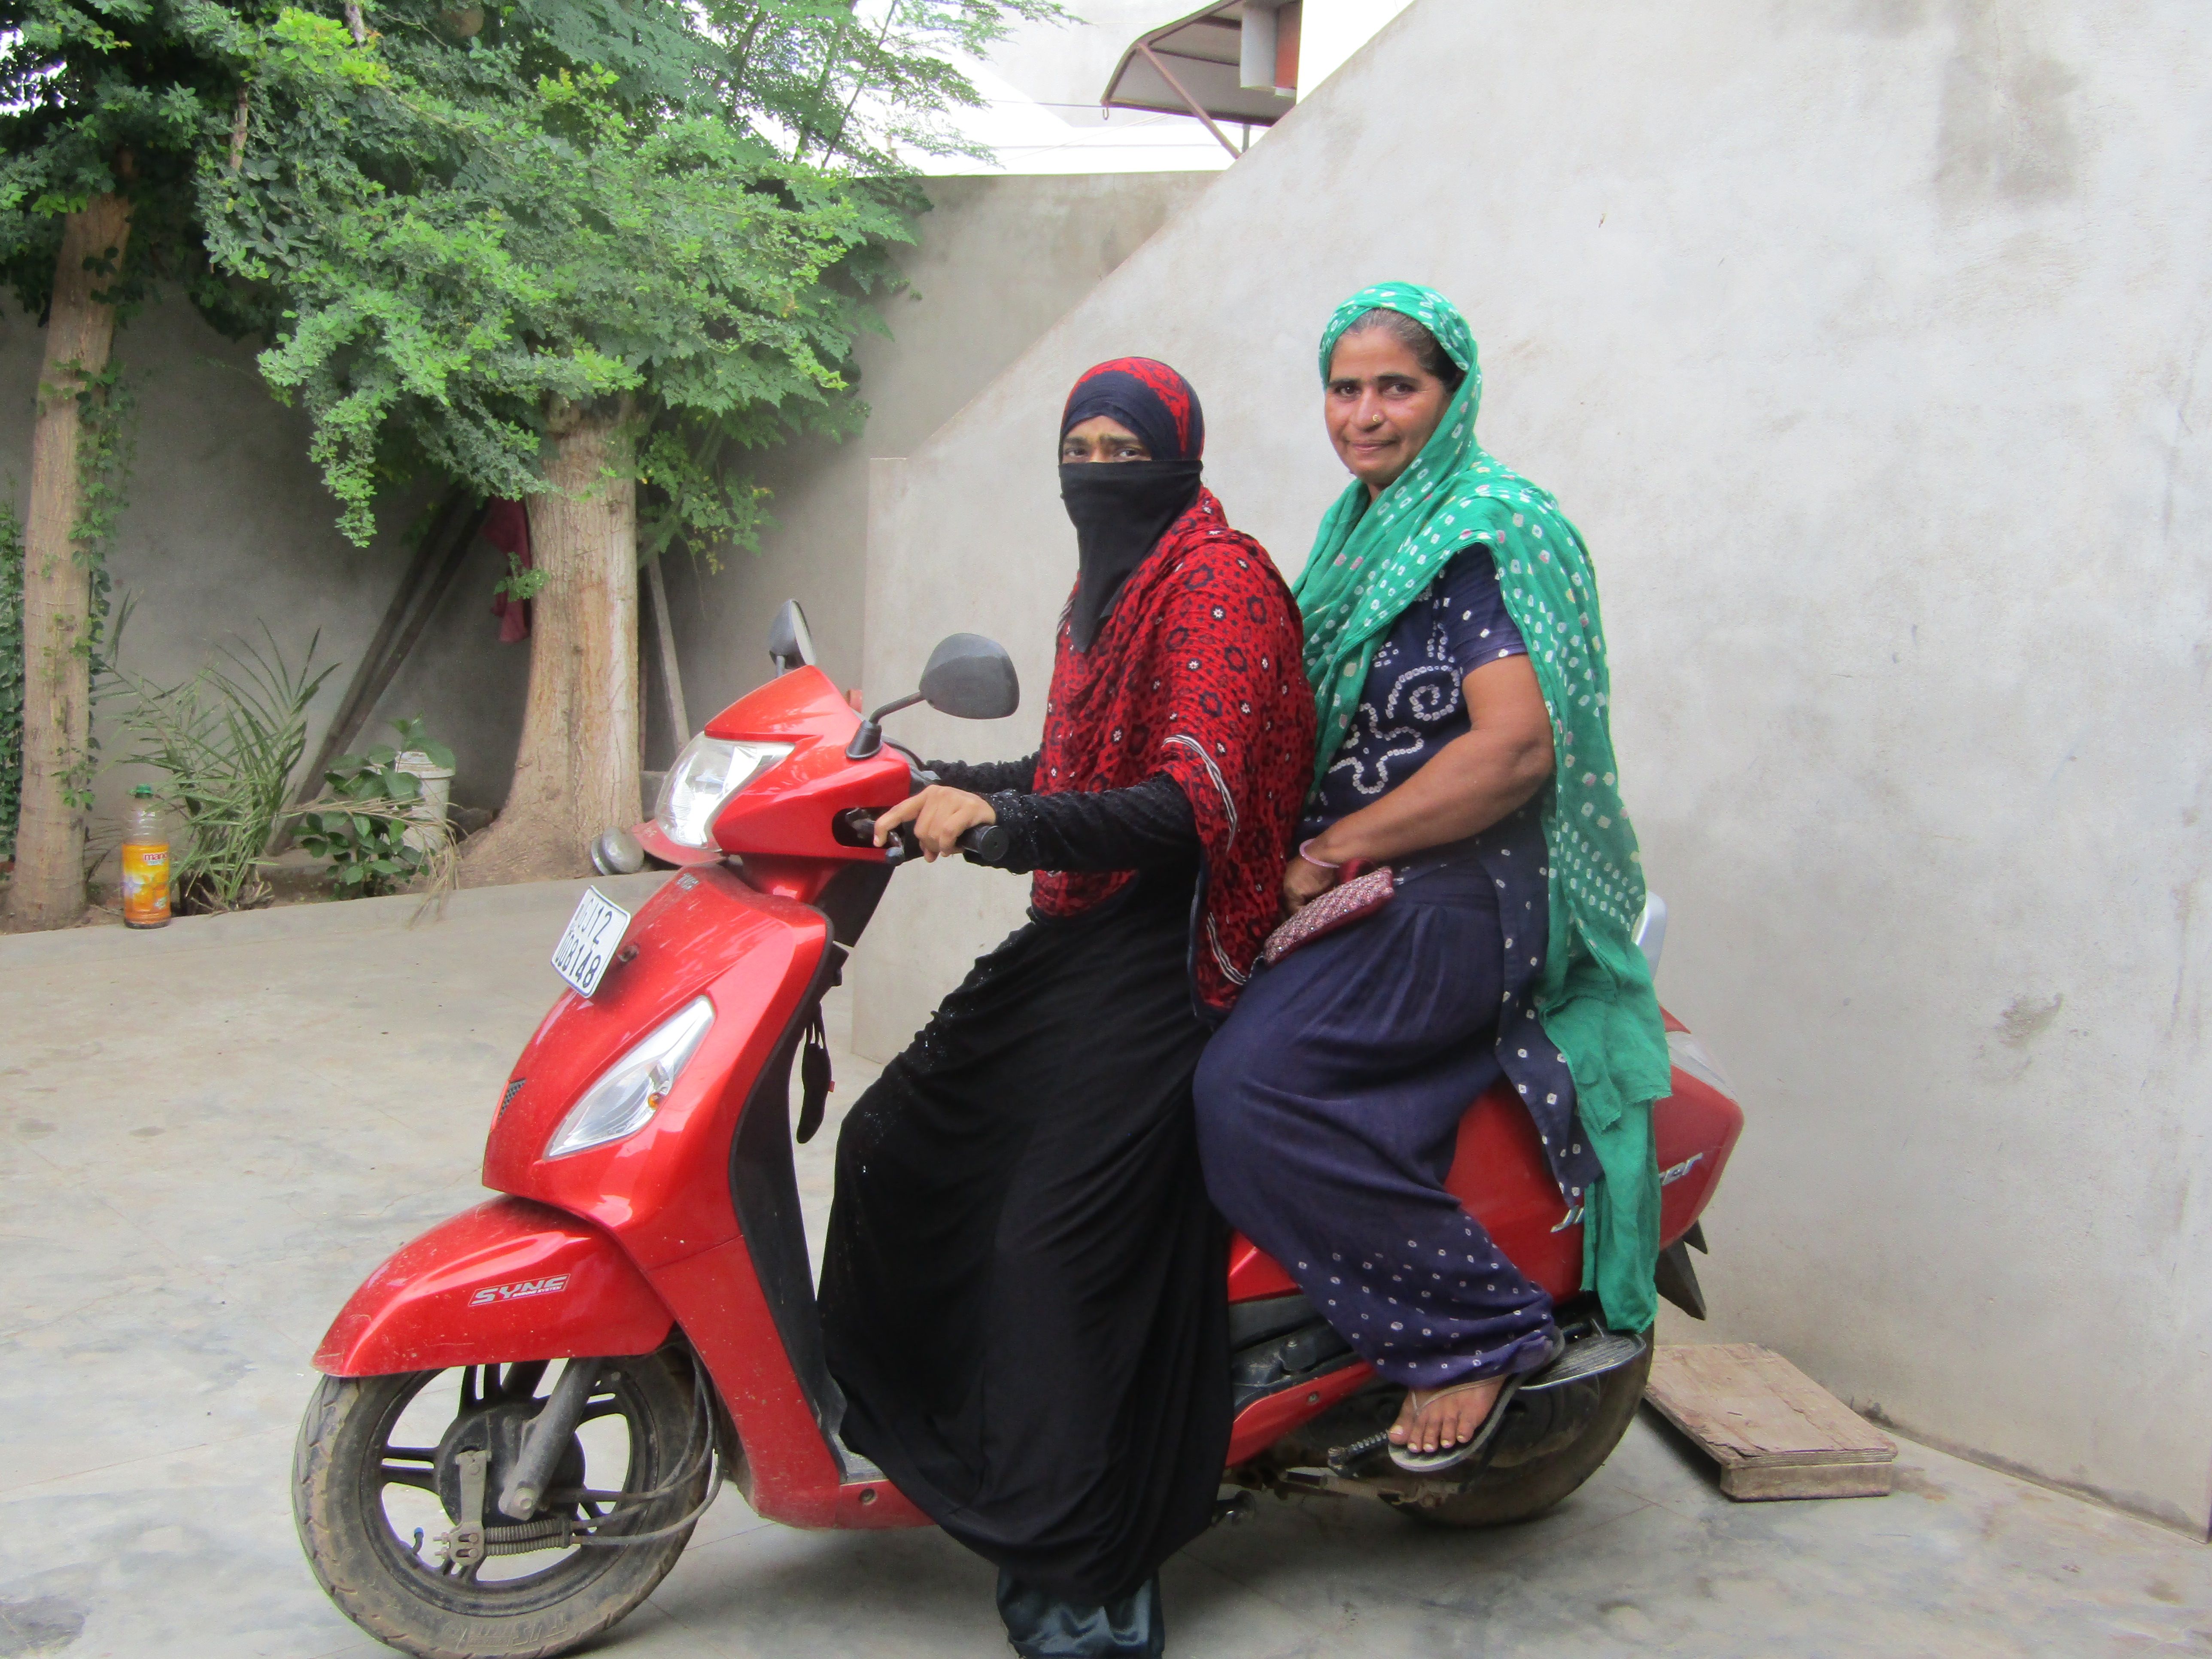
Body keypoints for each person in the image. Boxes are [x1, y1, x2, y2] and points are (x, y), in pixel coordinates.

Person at [818, 358, 1313, 1657]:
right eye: (1078, 446)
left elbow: (1187, 806)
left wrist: (1000, 822)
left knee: (1050, 1244)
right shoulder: (1107, 590)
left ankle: (1091, 1564)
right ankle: (943, 1441)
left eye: (1122, 446)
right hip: (1089, 926)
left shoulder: (1221, 586)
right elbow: (1077, 764)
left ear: (1181, 457)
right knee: (890, 1141)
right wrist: (928, 780)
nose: (1096, 468)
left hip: (1184, 948)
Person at [1192, 283, 1672, 1474]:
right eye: (1345, 388)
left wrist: (1327, 852)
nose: (1365, 414)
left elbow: (1511, 750)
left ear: (1451, 399)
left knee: (1250, 1092)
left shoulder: (1487, 529)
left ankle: (1473, 1331)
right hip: (1376, 881)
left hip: (1469, 885)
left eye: (1395, 388)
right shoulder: (1360, 529)